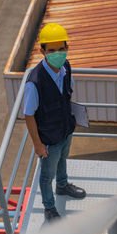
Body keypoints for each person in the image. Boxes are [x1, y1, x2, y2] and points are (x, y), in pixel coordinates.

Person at [24, 23, 86, 223]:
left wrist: (70, 119)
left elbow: (67, 94)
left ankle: (62, 185)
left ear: (67, 48)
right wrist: (38, 145)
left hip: (65, 129)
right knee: (45, 175)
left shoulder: (66, 67)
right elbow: (29, 115)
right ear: (43, 51)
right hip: (48, 137)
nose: (58, 54)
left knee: (63, 158)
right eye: (52, 50)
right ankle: (49, 208)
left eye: (61, 49)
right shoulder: (35, 82)